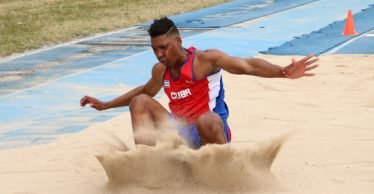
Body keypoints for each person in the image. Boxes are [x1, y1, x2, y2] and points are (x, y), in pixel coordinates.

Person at [80, 17, 318, 149]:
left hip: (210, 130)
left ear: (178, 41)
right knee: (140, 101)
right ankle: (149, 164)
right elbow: (145, 91)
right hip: (180, 132)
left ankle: (225, 167)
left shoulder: (204, 61)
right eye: (154, 49)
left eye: (163, 47)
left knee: (206, 118)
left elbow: (247, 66)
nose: (159, 54)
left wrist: (283, 72)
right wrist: (105, 105)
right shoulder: (160, 70)